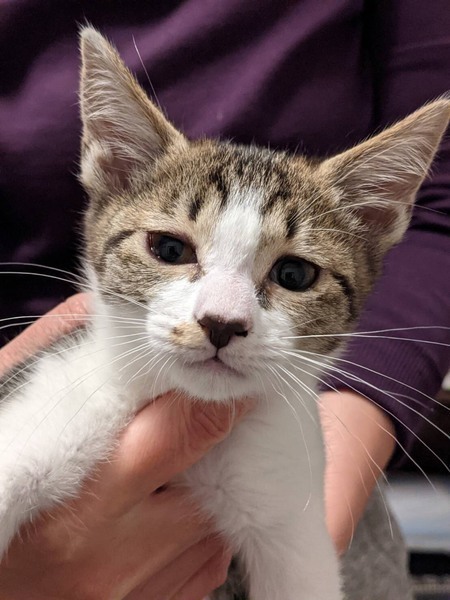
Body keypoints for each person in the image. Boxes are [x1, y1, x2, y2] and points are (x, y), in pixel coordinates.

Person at [0, 1, 449, 598]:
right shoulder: (70, 396)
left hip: (329, 437)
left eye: (292, 273)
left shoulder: (284, 438)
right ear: (115, 173)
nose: (223, 317)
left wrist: (303, 508)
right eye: (169, 249)